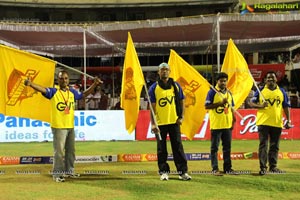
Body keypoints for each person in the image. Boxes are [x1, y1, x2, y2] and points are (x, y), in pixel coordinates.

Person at [24, 70, 102, 182]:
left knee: (71, 151)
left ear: (68, 80)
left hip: (70, 126)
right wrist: (31, 84)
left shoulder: (72, 92)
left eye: (66, 78)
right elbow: (43, 89)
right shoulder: (54, 91)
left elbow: (83, 95)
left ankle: (69, 171)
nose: (64, 80)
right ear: (58, 80)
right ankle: (57, 174)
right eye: (61, 78)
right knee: (59, 152)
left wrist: (94, 84)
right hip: (58, 126)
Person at [148, 62, 191, 181]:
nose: (164, 71)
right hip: (160, 124)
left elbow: (182, 102)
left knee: (178, 147)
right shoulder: (154, 88)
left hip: (174, 122)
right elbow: (152, 107)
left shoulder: (176, 86)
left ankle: (182, 172)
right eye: (162, 70)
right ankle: (163, 172)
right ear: (158, 72)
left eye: (166, 69)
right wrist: (153, 123)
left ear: (170, 71)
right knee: (161, 149)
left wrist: (181, 117)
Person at [249, 71, 292, 175]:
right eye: (268, 78)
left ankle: (273, 167)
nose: (270, 79)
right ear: (265, 80)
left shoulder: (282, 91)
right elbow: (251, 103)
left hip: (277, 122)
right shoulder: (260, 91)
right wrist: (261, 106)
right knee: (263, 145)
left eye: (272, 78)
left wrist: (288, 120)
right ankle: (263, 167)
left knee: (275, 146)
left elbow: (286, 106)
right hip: (263, 122)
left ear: (276, 79)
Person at [205, 72, 237, 175]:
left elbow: (231, 107)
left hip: (227, 125)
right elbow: (207, 106)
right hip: (217, 125)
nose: (223, 82)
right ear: (217, 82)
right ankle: (215, 169)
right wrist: (220, 103)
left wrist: (234, 118)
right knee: (214, 148)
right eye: (221, 81)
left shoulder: (229, 93)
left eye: (224, 81)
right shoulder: (212, 92)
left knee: (227, 148)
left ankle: (228, 168)